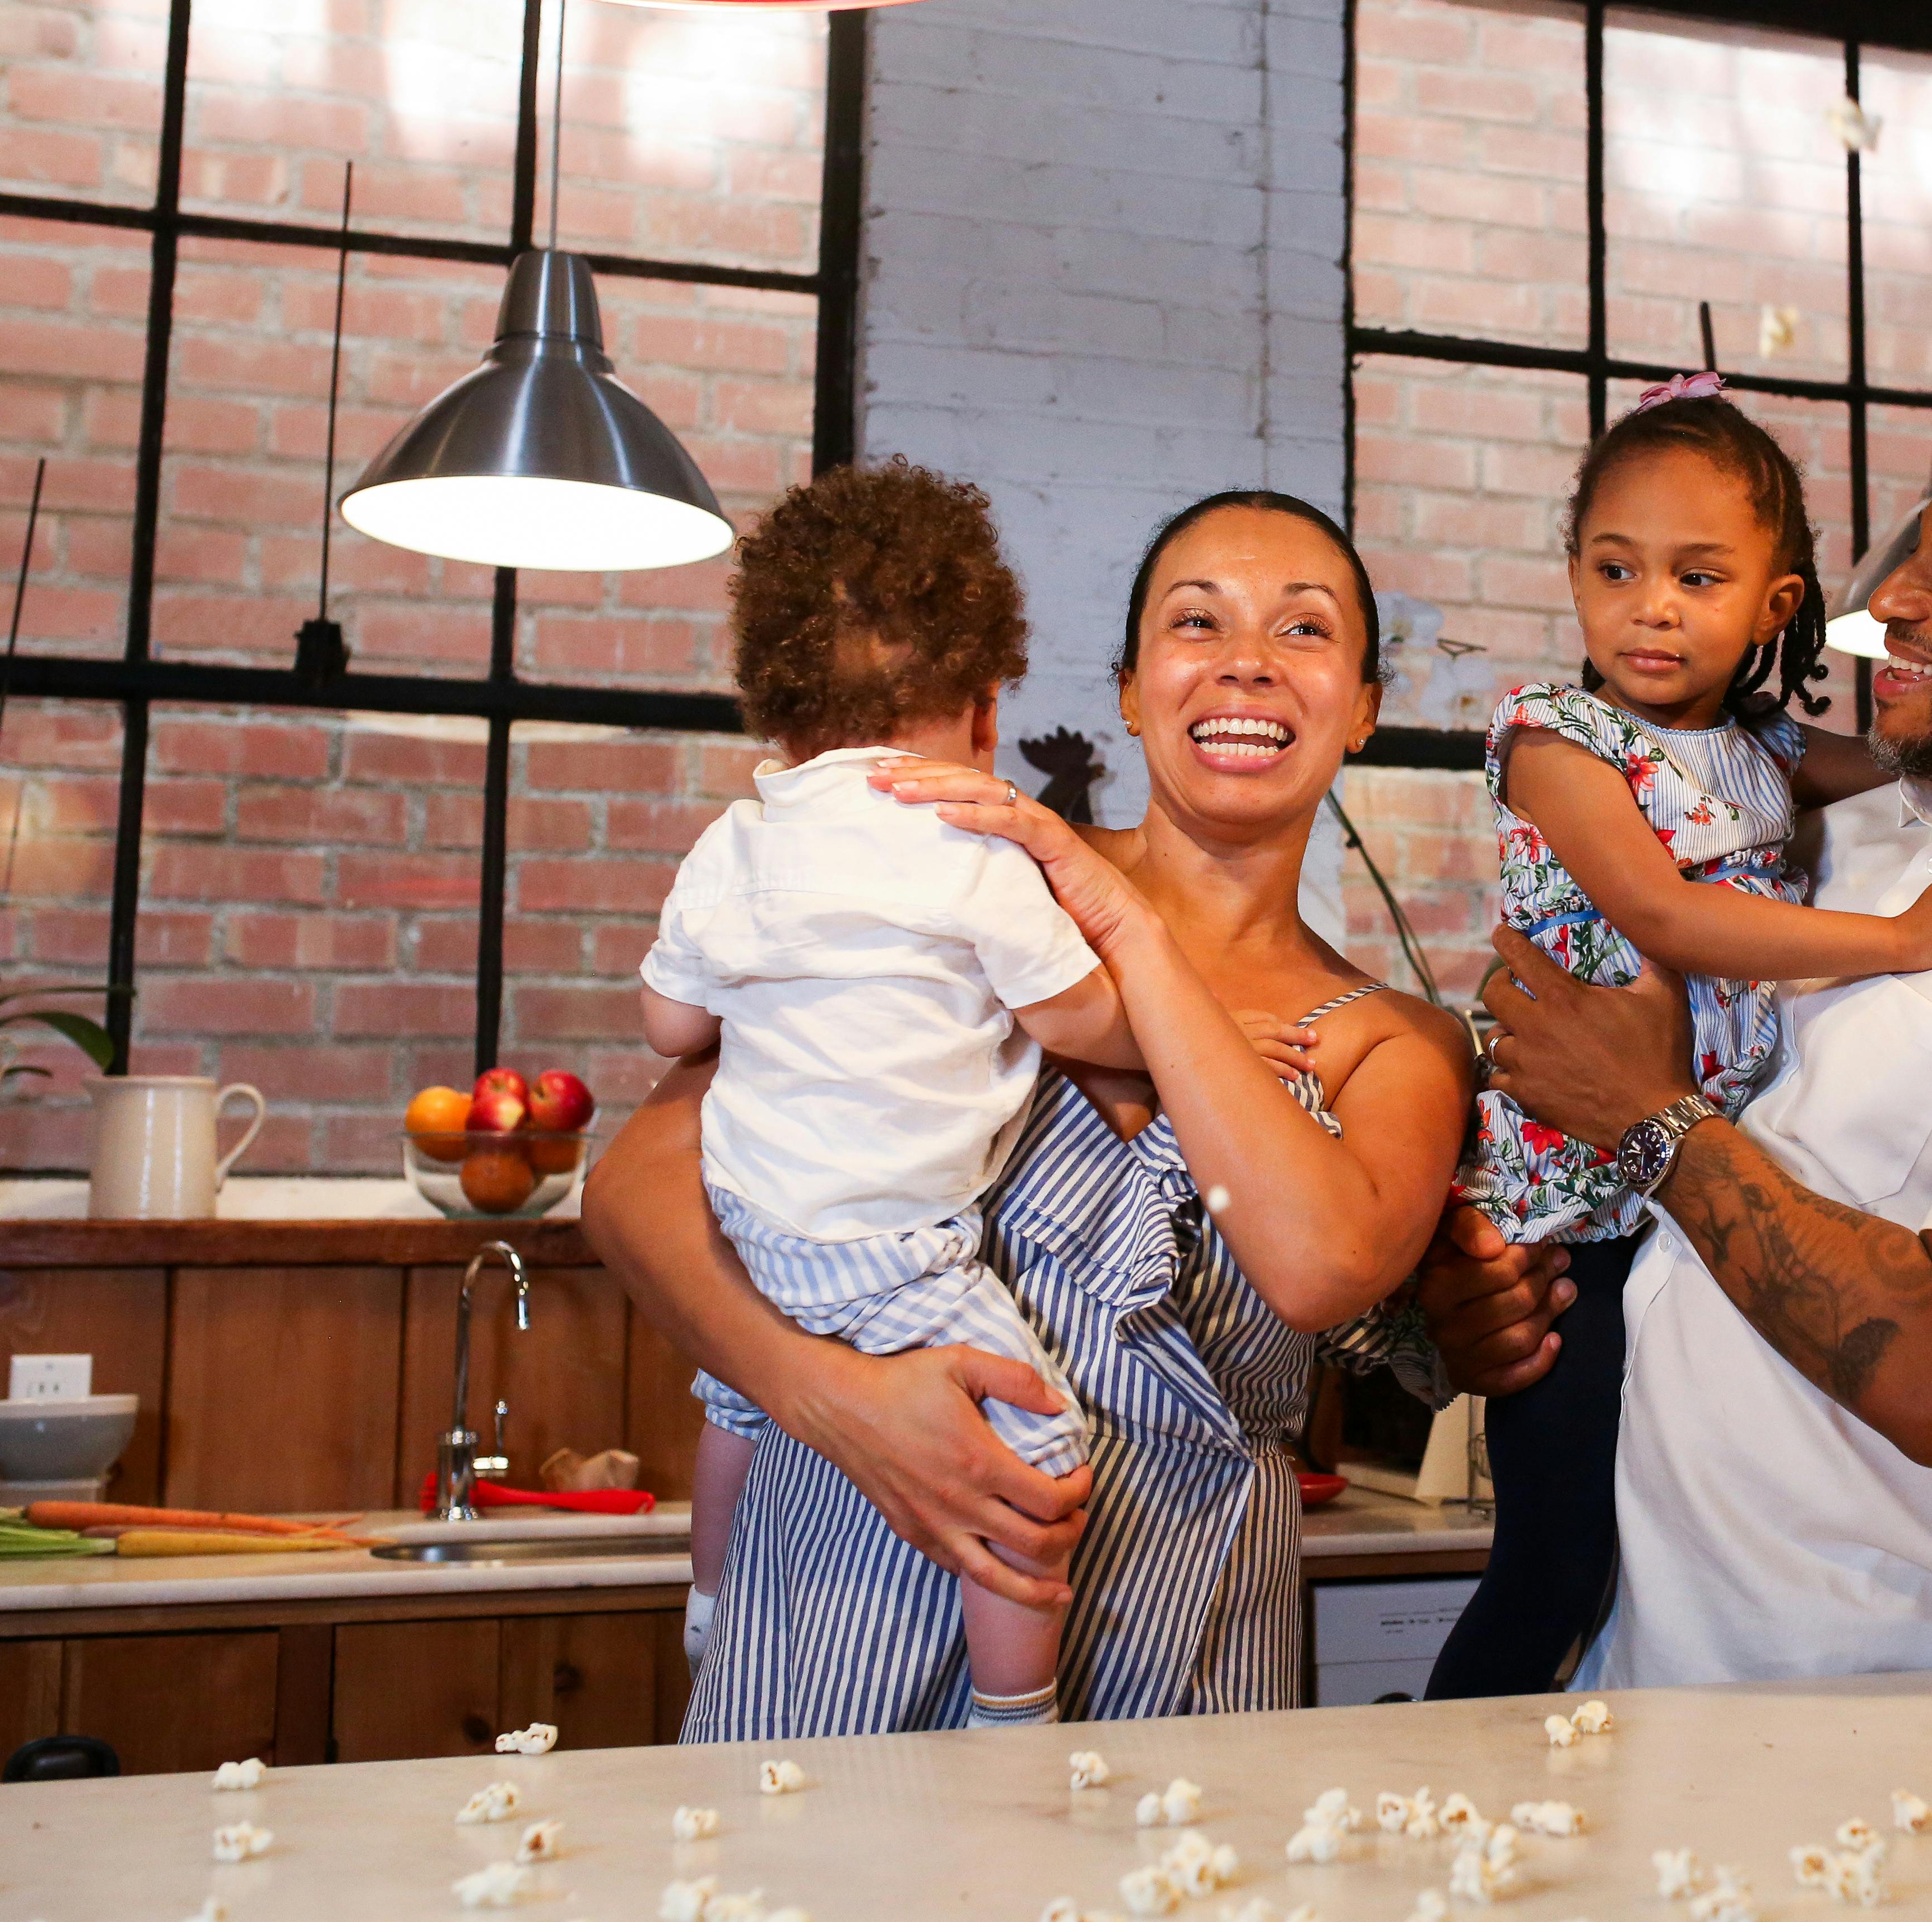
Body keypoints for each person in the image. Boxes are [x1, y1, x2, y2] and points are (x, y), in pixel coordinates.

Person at [1423, 378, 1932, 1700]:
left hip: (1849, 1714)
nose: (1896, 609)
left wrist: (1645, 1119)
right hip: (1630, 1669)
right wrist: (1491, 1291)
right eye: (1918, 557)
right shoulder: (1867, 821)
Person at [586, 491, 1473, 1730]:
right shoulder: (951, 873)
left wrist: (1128, 934)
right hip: (840, 1591)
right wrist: (816, 1391)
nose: (1248, 664)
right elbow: (637, 1183)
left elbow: (1321, 1263)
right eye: (1197, 620)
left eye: (1307, 632)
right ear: (1127, 685)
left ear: (1366, 708)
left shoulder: (1394, 1042)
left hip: (1180, 1650)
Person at [635, 459, 1144, 1726]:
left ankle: (707, 1607)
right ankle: (1013, 1717)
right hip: (891, 1250)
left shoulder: (734, 841)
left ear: (777, 706)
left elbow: (666, 1024)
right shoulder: (976, 848)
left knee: (736, 1395)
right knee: (1040, 1459)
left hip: (754, 1228)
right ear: (983, 705)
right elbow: (1086, 1020)